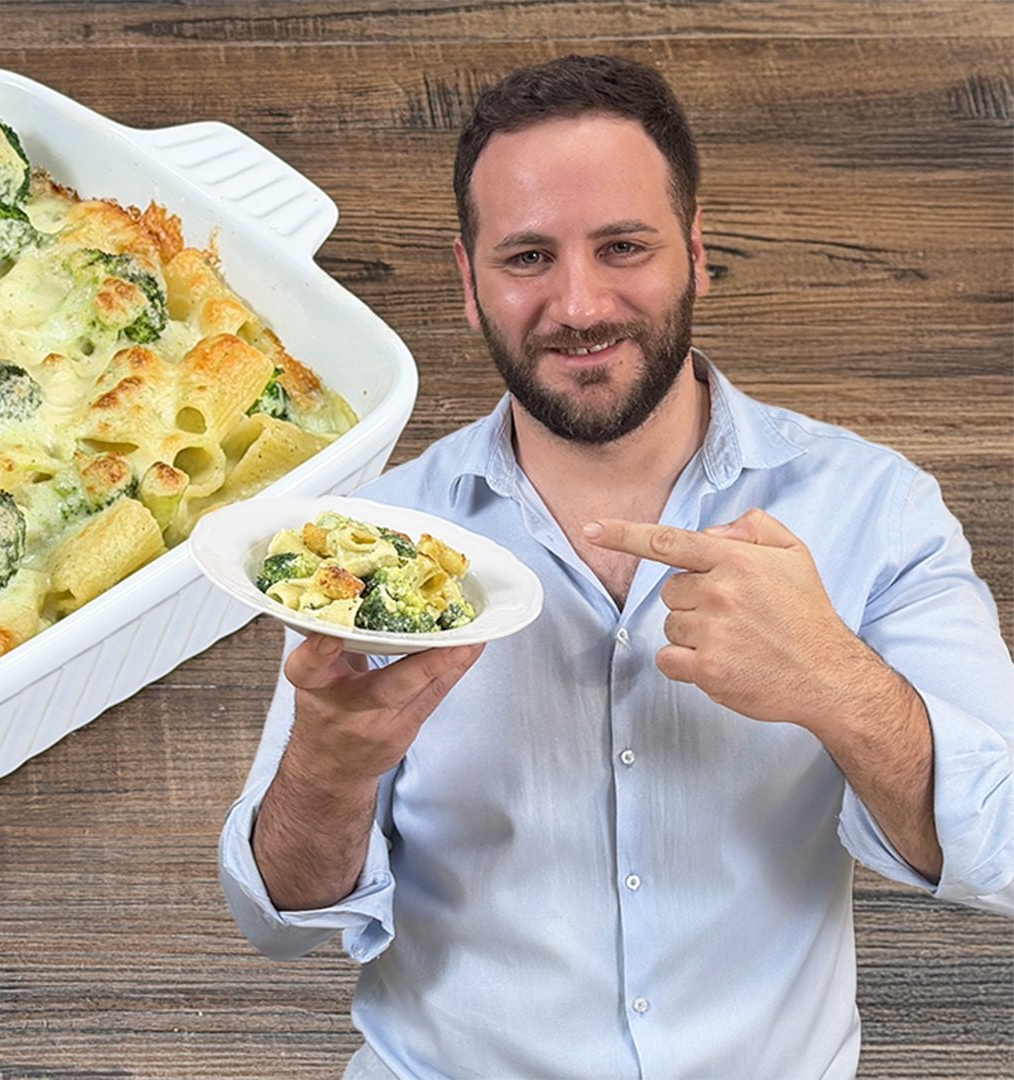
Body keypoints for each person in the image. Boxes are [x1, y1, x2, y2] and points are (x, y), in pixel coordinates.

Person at [218, 54, 1014, 1079]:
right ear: (469, 285)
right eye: (528, 258)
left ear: (695, 253)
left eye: (623, 246)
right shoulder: (375, 538)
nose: (580, 305)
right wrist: (327, 773)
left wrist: (836, 681)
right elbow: (277, 919)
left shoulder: (874, 506)